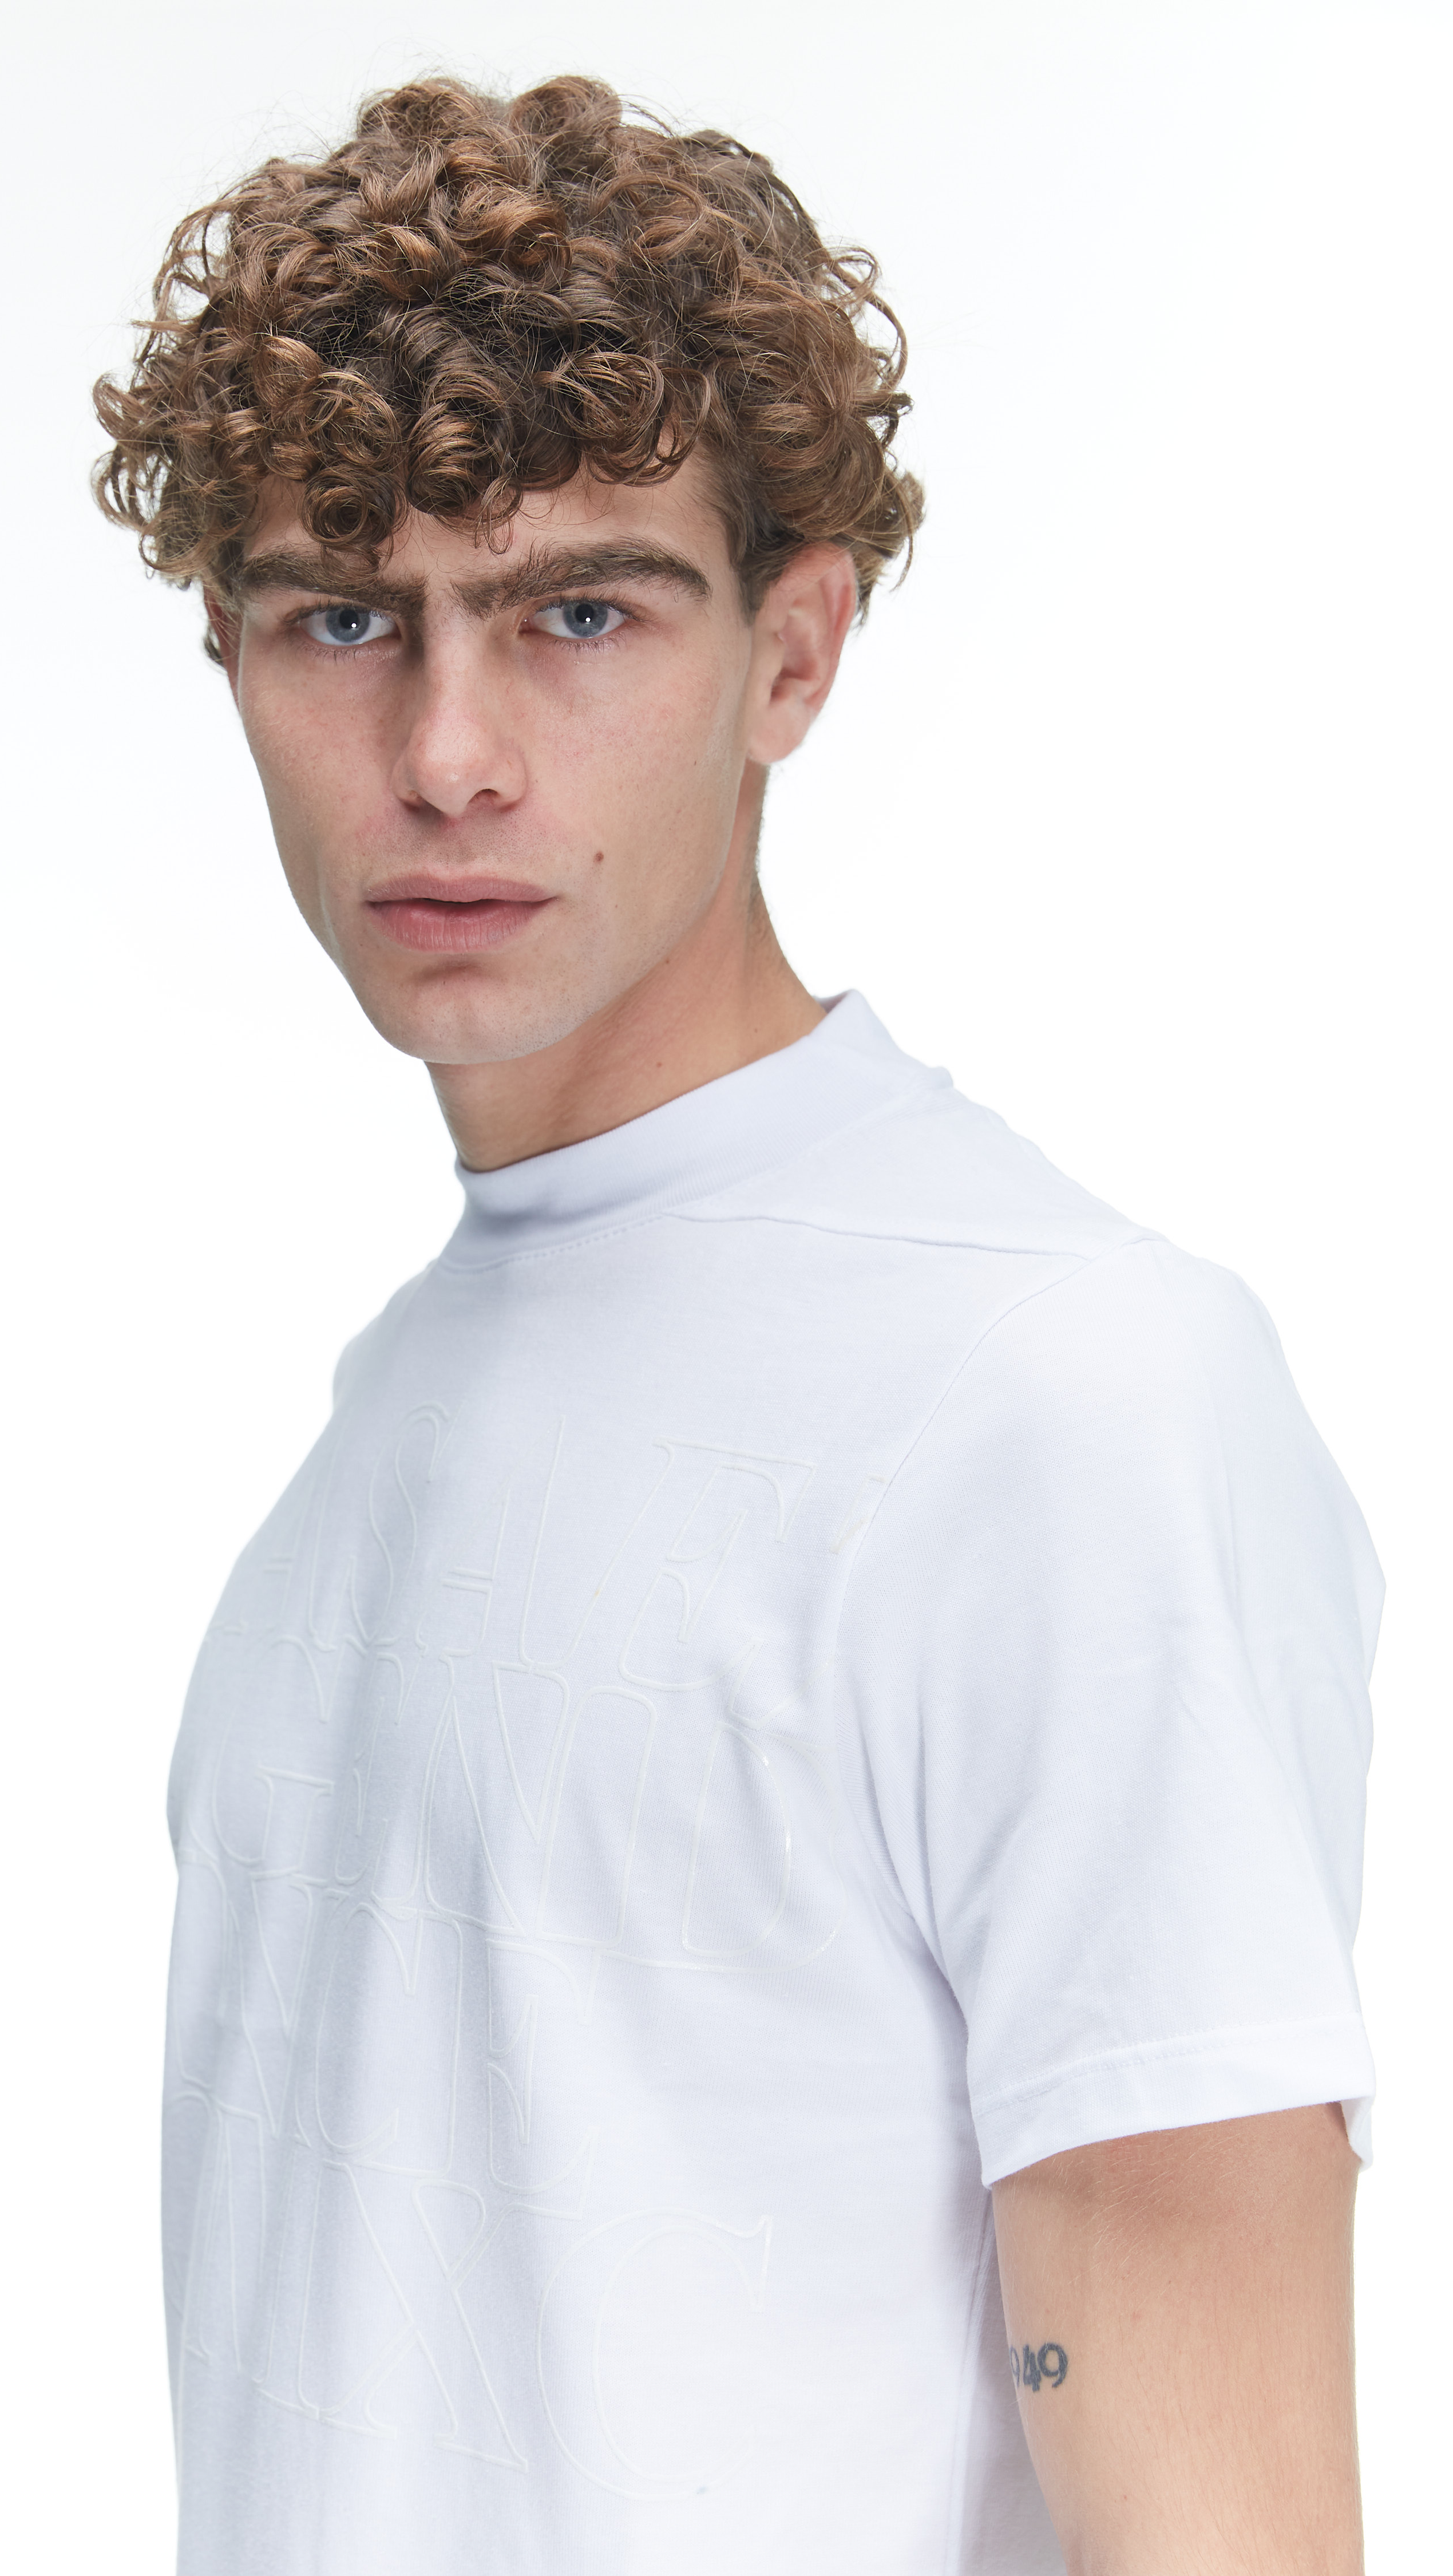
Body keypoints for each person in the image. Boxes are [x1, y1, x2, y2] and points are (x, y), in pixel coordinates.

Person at [93, 74, 1376, 2576]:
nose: (446, 756)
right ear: (231, 653)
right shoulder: (381, 1430)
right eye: (343, 617)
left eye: (578, 613)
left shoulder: (1060, 1402)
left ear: (793, 651)